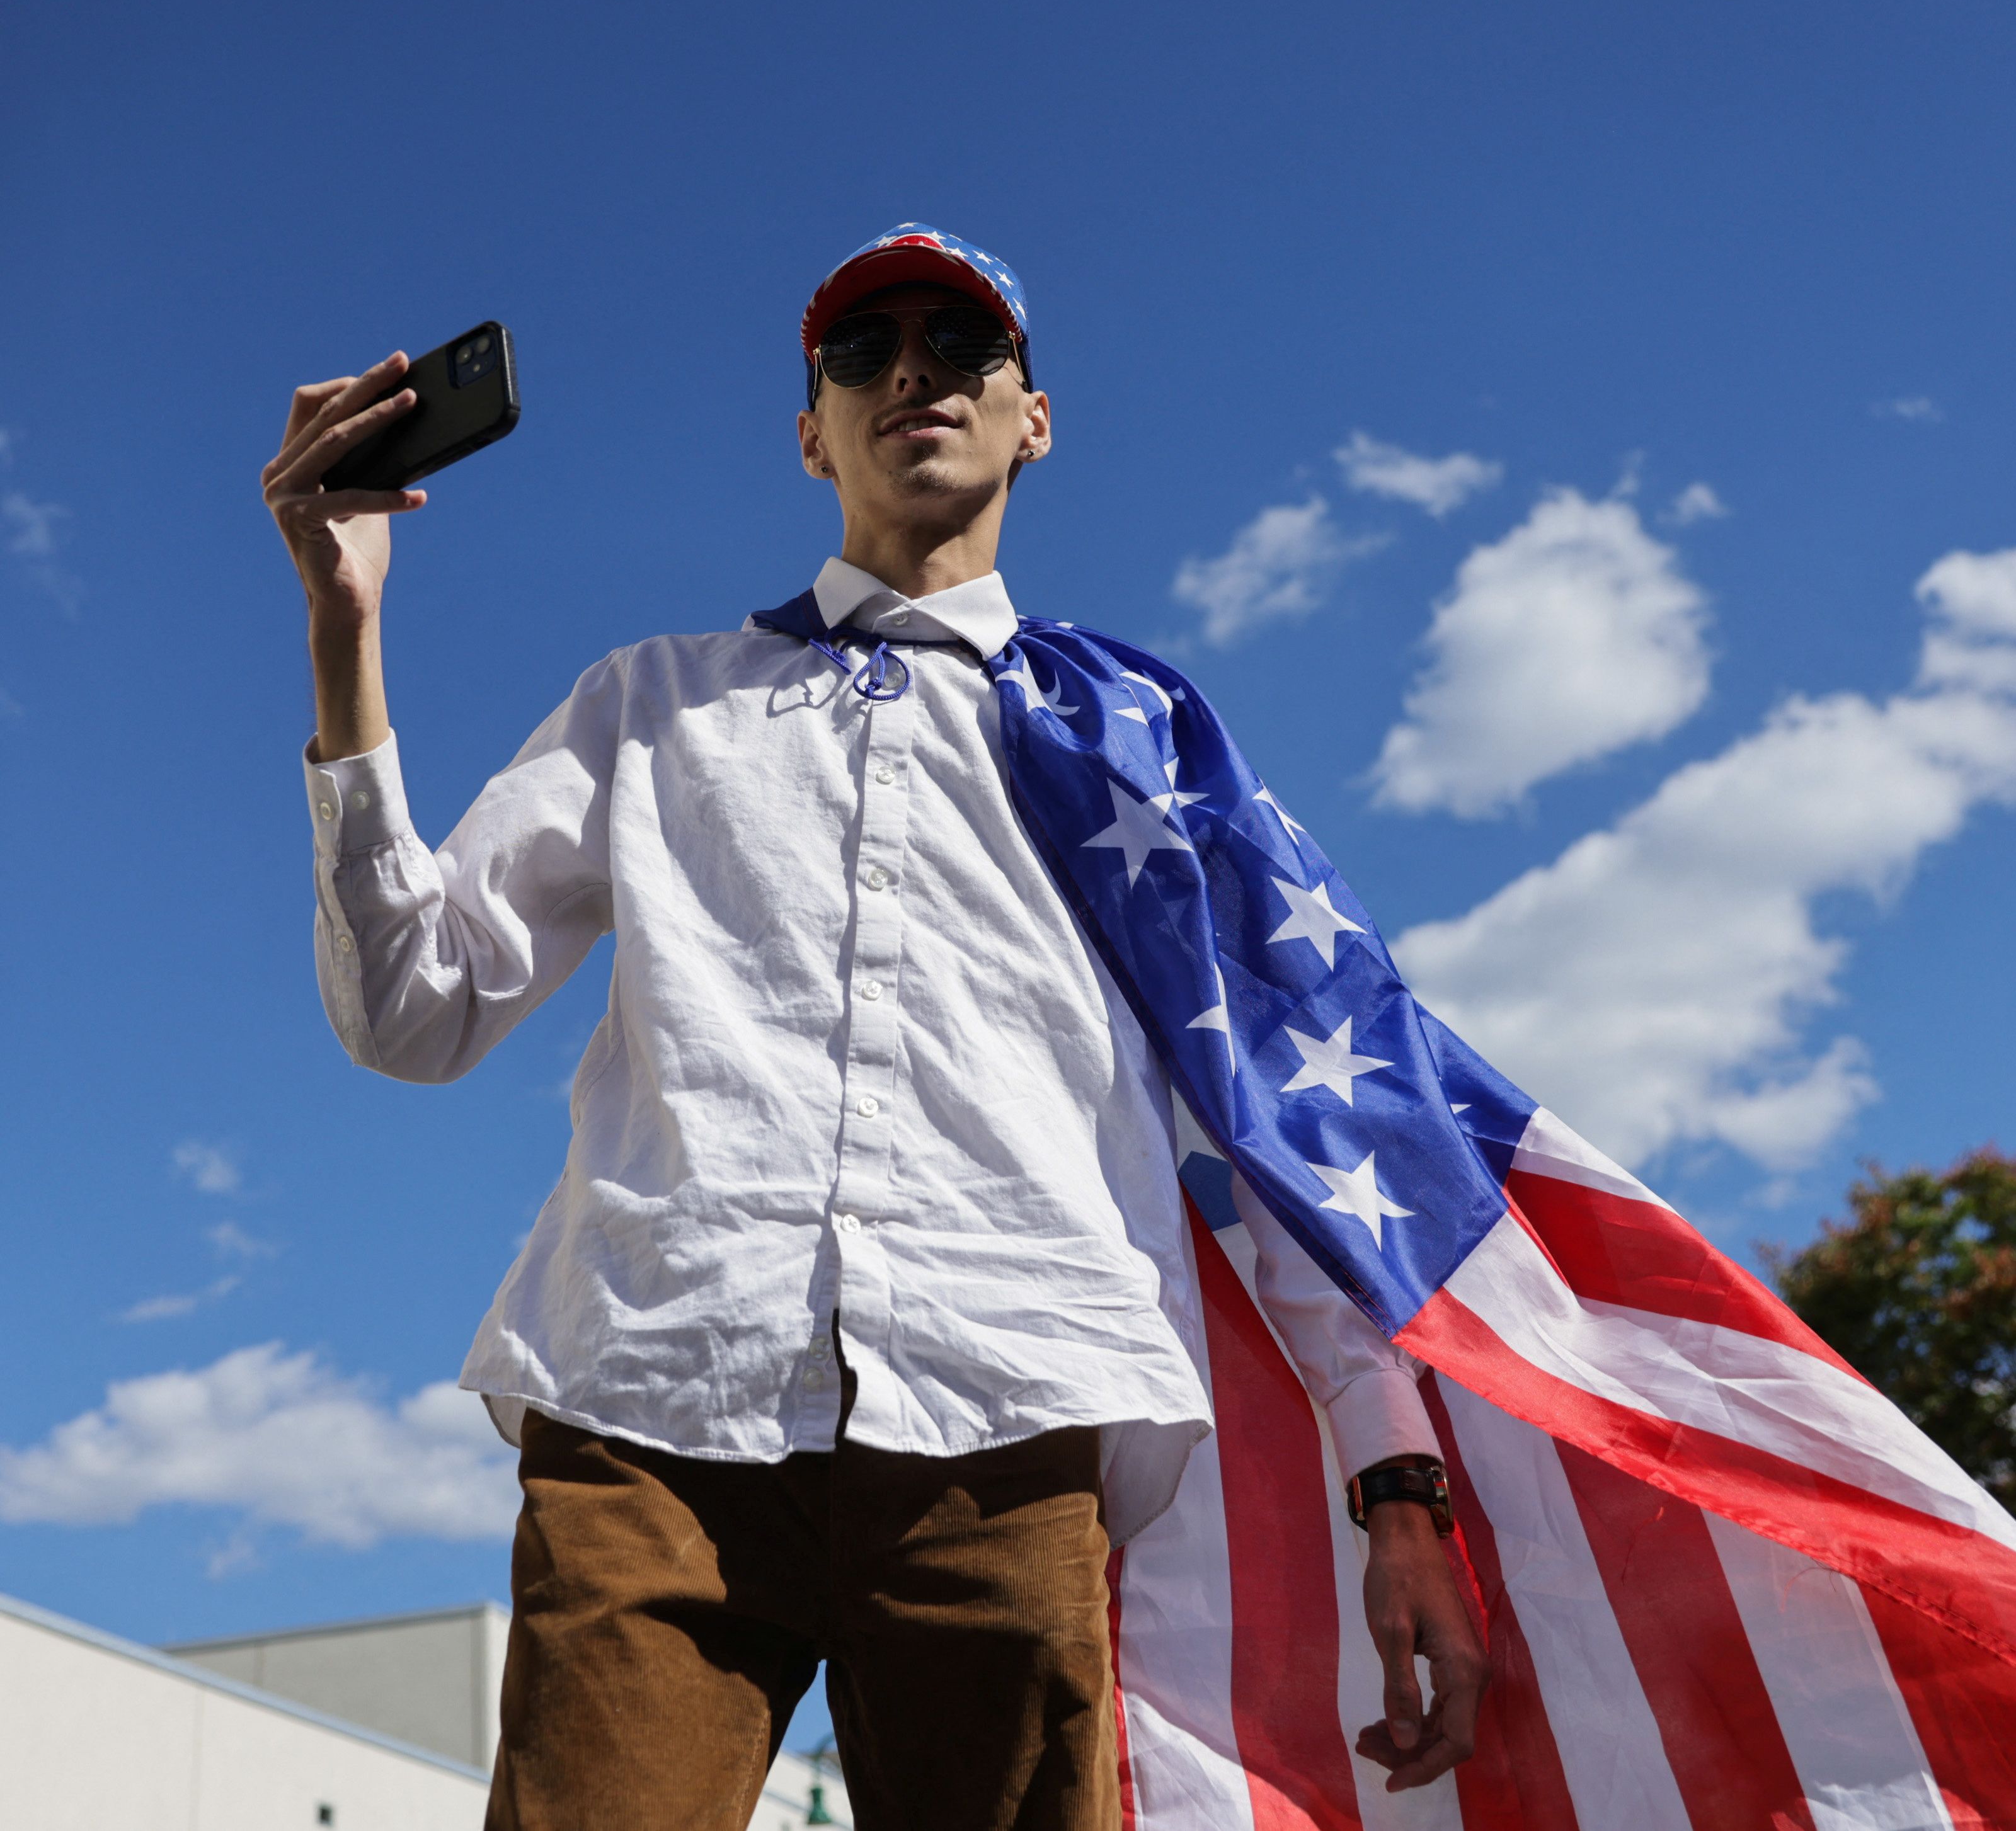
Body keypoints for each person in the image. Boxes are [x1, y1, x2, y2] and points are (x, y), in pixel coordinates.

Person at [260, 225, 1486, 1830]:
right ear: (811, 429)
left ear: (1032, 417)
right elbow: (413, 1013)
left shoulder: (1137, 744)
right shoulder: (650, 700)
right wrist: (343, 624)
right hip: (655, 1415)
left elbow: (1279, 1130)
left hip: (1011, 1416)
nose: (913, 369)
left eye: (962, 343)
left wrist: (1396, 1482)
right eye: (861, 349)